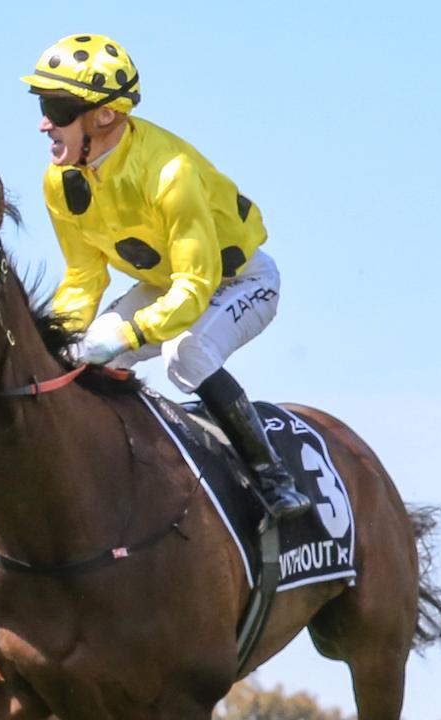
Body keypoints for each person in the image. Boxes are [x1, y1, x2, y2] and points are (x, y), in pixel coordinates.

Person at [21, 33, 312, 519]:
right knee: (77, 361)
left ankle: (272, 477)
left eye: (57, 106)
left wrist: (130, 333)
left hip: (239, 280)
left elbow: (196, 286)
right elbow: (82, 276)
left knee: (186, 353)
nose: (44, 123)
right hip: (165, 285)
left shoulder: (170, 173)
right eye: (42, 104)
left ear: (106, 115)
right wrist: (60, 339)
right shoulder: (60, 180)